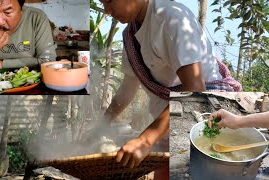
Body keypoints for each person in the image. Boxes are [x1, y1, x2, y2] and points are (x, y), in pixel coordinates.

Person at [99, 0, 242, 179]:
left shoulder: (172, 18)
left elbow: (195, 89)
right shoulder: (130, 36)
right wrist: (100, 126)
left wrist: (145, 140)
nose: (106, 10)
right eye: (101, 2)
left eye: (110, 1)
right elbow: (127, 89)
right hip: (169, 127)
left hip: (202, 116)